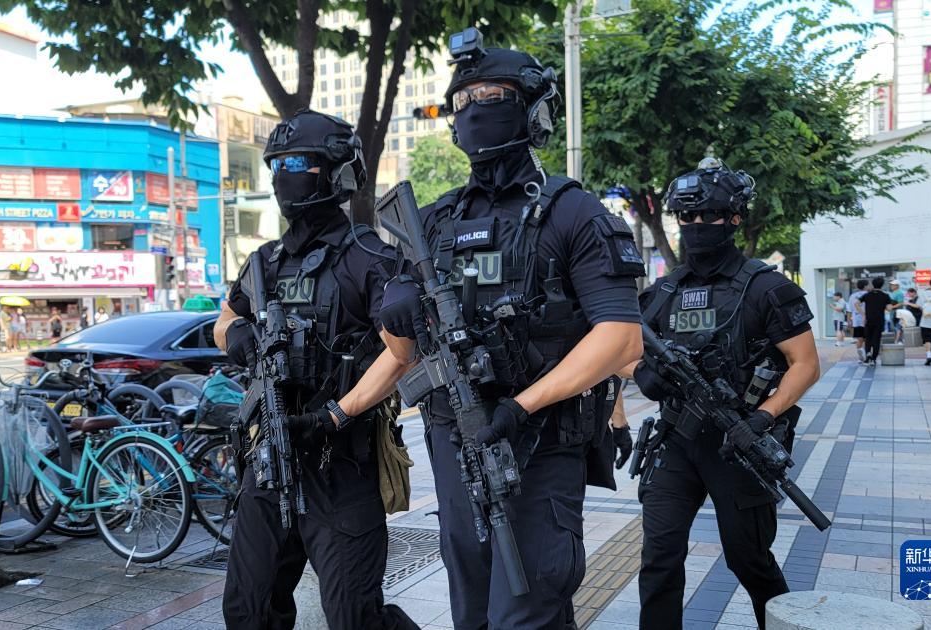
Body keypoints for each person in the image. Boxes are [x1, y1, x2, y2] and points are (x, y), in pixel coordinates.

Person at [378, 31, 644, 628]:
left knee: (527, 609)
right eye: (463, 100)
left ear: (534, 110)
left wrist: (520, 407)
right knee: (472, 609)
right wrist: (395, 307)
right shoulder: (432, 223)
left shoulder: (573, 211)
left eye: (492, 95)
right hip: (455, 442)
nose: (475, 108)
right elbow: (402, 351)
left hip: (540, 442)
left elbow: (621, 338)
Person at [213, 110, 418, 630]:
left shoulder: (370, 258)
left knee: (354, 616)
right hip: (270, 458)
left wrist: (335, 415)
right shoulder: (265, 262)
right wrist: (236, 335)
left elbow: (402, 353)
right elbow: (225, 319)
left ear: (337, 172)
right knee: (249, 610)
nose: (283, 176)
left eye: (298, 164)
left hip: (340, 462)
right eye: (277, 165)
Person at [622, 159, 820, 629]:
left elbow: (806, 364)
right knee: (659, 559)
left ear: (733, 218)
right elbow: (622, 351)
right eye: (686, 217)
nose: (695, 225)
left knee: (749, 560)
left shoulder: (766, 287)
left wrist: (764, 418)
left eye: (708, 216)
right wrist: (643, 373)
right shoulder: (664, 291)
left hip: (740, 444)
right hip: (676, 441)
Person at [860, 277, 892, 365]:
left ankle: (868, 354)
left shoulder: (867, 295)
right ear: (882, 285)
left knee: (868, 338)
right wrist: (884, 306)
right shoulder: (885, 295)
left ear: (873, 284)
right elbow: (889, 308)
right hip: (879, 320)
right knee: (876, 339)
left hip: (869, 319)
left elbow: (857, 303)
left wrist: (863, 313)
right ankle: (873, 359)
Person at [848, 279, 869, 363]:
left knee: (859, 339)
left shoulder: (853, 296)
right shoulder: (868, 294)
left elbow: (849, 309)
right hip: (867, 319)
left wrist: (849, 320)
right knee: (867, 339)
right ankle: (866, 355)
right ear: (865, 286)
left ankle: (860, 357)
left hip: (856, 319)